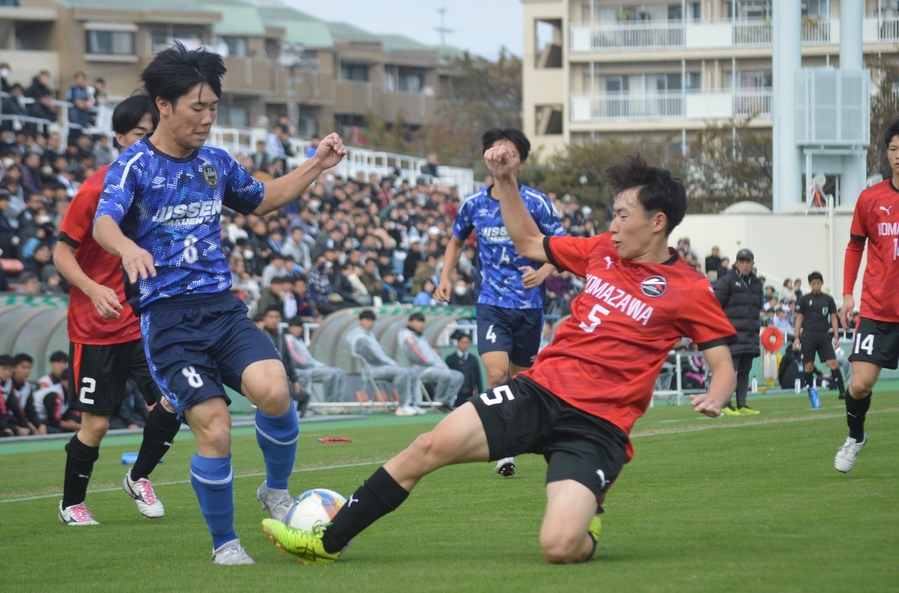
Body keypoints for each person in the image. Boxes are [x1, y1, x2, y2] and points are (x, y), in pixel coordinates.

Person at [264, 150, 737, 565]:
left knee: (559, 546)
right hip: (539, 391)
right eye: (611, 215)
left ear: (658, 222)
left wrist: (716, 396)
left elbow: (722, 366)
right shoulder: (600, 251)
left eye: (622, 216)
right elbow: (530, 244)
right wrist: (506, 182)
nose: (611, 226)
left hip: (598, 427)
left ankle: (587, 515)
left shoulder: (688, 288)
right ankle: (328, 542)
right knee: (427, 447)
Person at [92, 43, 345, 565]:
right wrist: (128, 246)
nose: (207, 120)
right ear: (163, 105)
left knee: (275, 391)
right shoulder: (133, 166)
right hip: (168, 321)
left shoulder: (215, 162)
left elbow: (264, 198)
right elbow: (103, 222)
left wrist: (317, 164)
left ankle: (275, 490)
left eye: (213, 108)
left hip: (221, 309)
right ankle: (225, 543)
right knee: (215, 424)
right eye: (197, 108)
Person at [52, 94, 183, 527]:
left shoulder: (159, 186)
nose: (149, 143)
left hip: (141, 321)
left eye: (154, 134)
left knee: (174, 399)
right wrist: (92, 290)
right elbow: (61, 252)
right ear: (119, 138)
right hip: (96, 326)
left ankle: (138, 477)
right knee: (97, 425)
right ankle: (72, 503)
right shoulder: (94, 188)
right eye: (141, 135)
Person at [434, 128, 565, 478]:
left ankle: (532, 435)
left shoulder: (536, 203)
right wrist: (444, 278)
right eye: (495, 152)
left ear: (520, 162)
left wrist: (544, 273)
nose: (501, 158)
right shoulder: (474, 203)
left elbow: (562, 246)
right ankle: (503, 448)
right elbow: (456, 241)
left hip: (529, 307)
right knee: (495, 373)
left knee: (523, 382)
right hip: (491, 303)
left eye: (509, 153)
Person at [835, 120, 899, 473]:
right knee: (859, 385)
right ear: (887, 153)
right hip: (877, 309)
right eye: (894, 148)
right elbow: (855, 247)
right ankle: (856, 436)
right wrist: (847, 295)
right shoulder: (870, 199)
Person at [711, 248, 763, 416]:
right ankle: (725, 403)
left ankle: (742, 403)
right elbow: (715, 306)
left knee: (745, 369)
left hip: (750, 334)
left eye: (748, 262)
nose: (745, 265)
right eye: (742, 261)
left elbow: (757, 308)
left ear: (753, 264)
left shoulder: (756, 284)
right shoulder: (727, 281)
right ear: (737, 263)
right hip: (731, 335)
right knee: (729, 370)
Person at [346, 309, 423, 416]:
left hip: (382, 368)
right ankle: (403, 406)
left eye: (372, 320)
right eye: (367, 320)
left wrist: (390, 363)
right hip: (372, 371)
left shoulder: (369, 335)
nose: (370, 323)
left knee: (412, 373)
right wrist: (391, 363)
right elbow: (373, 358)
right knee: (402, 373)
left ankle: (414, 404)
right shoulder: (359, 337)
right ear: (360, 321)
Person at [792, 272, 845, 400]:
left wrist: (836, 336)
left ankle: (842, 391)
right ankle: (811, 391)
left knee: (833, 363)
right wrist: (797, 336)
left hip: (824, 335)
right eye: (813, 283)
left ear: (821, 283)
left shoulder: (828, 299)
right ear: (810, 284)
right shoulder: (804, 299)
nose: (816, 285)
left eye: (818, 283)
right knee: (809, 365)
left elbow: (833, 318)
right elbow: (799, 318)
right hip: (808, 335)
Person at [397, 312, 464, 411]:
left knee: (458, 376)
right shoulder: (407, 336)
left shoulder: (420, 336)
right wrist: (435, 364)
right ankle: (439, 404)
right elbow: (417, 356)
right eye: (418, 321)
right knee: (445, 375)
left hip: (432, 367)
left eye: (422, 322)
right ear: (410, 322)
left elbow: (429, 354)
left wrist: (439, 364)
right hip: (419, 369)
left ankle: (447, 402)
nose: (421, 324)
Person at [258, 307, 310, 418]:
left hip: (282, 380)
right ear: (265, 319)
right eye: (270, 317)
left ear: (280, 319)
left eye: (276, 317)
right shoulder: (259, 336)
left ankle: (298, 420)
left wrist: (295, 380)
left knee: (304, 396)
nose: (273, 320)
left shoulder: (282, 338)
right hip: (265, 380)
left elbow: (287, 360)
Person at [284, 317, 348, 405]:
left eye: (300, 327)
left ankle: (338, 403)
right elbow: (298, 361)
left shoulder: (300, 340)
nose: (298, 329)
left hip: (310, 368)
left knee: (340, 372)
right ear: (289, 328)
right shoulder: (289, 339)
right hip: (301, 370)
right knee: (331, 374)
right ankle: (329, 405)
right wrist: (317, 366)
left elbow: (308, 358)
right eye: (296, 326)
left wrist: (318, 364)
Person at [445, 331, 484, 407]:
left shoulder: (473, 359)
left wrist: (480, 395)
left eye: (467, 343)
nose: (465, 345)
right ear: (458, 343)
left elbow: (478, 378)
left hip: (470, 395)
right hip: (455, 395)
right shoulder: (450, 359)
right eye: (462, 342)